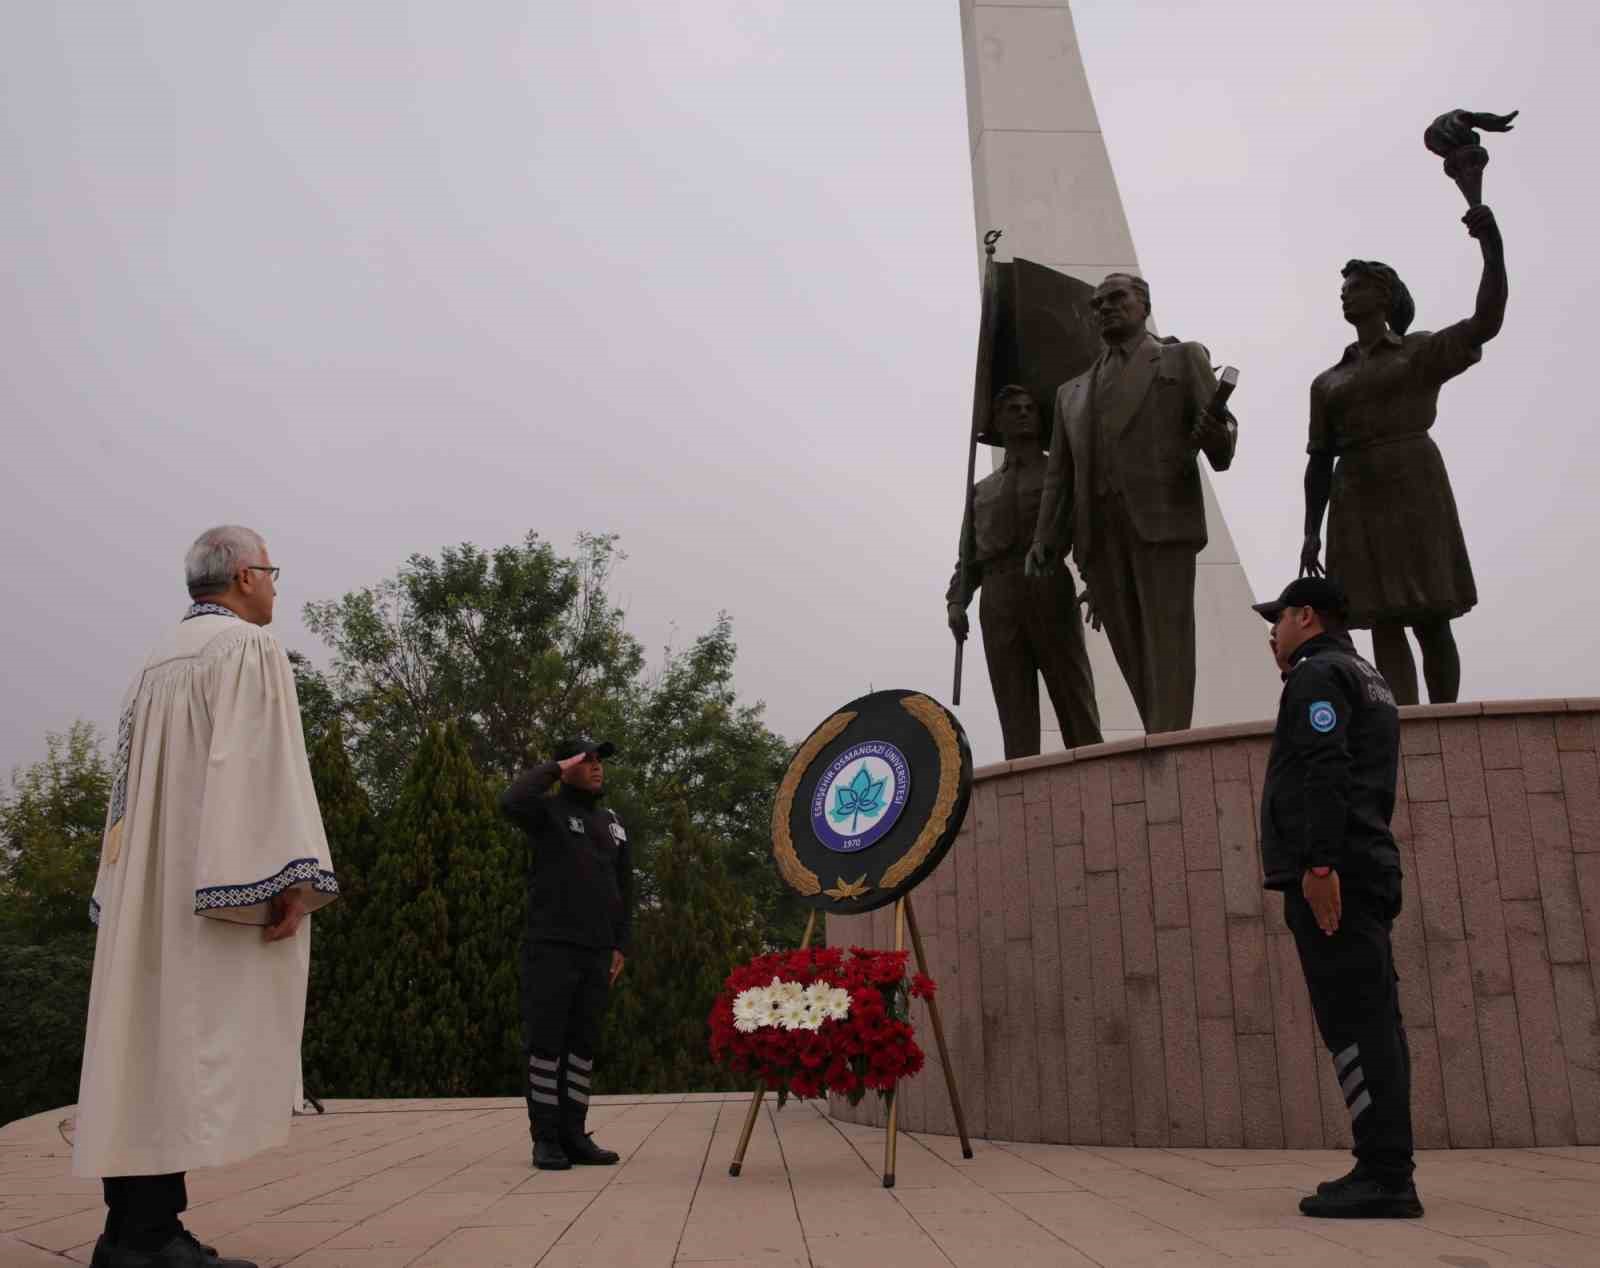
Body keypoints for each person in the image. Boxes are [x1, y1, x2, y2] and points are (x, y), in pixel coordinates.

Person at [75, 526, 338, 1268]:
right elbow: (257, 769)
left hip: (145, 890)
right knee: (186, 1053)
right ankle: (153, 1237)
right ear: (246, 577)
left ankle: (127, 1234)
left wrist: (120, 888)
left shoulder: (155, 660)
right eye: (273, 572)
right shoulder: (247, 651)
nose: (277, 587)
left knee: (142, 1052)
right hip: (202, 884)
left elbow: (122, 795)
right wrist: (287, 880)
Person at [1252, 576, 1420, 1219]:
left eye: (1279, 618)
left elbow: (1326, 768)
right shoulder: (1367, 675)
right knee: (1376, 1021)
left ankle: (1384, 1176)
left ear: (1306, 616)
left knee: (1354, 1021)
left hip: (1337, 871)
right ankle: (1383, 1165)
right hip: (1368, 863)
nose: (1272, 630)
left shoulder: (1318, 677)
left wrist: (1319, 864)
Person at [1298, 205, 1507, 705]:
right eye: (1343, 289)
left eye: (1357, 286)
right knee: (1382, 618)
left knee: (1431, 611)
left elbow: (1485, 321)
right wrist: (1311, 530)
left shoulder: (1417, 351)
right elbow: (1319, 460)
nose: (1346, 293)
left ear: (1384, 295)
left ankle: (1446, 716)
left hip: (1414, 480)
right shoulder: (1328, 381)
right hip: (1355, 492)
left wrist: (1491, 246)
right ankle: (1403, 718)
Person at [1026, 272, 1236, 733]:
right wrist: (1045, 540)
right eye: (1097, 303)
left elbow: (1221, 448)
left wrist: (1216, 435)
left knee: (1167, 639)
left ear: (1143, 304)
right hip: (1098, 535)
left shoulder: (1181, 359)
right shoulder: (1071, 393)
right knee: (1130, 647)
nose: (1104, 308)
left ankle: (1169, 739)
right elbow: (1061, 476)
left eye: (1115, 298)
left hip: (1160, 520)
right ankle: (1158, 732)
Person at [947, 384, 1101, 757]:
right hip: (998, 596)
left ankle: (1096, 768)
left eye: (1029, 407)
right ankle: (1023, 781)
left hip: (1048, 585)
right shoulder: (982, 490)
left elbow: (1088, 530)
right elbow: (968, 555)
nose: (1022, 413)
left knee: (1071, 690)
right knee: (1013, 702)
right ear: (996, 422)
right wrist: (957, 600)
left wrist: (1096, 581)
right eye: (1012, 408)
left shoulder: (1060, 473)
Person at [500, 737, 632, 1170]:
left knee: (582, 1047)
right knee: (546, 1045)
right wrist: (555, 766)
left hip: (597, 951)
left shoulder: (612, 821)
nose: (597, 768)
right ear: (569, 766)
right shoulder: (547, 811)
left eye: (599, 762)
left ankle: (575, 1135)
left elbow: (624, 888)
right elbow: (512, 799)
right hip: (551, 947)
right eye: (587, 760)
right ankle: (547, 1139)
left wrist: (620, 945)